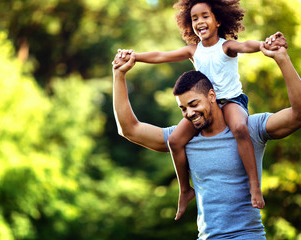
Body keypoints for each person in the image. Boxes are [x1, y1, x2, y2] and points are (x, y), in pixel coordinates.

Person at [112, 33, 301, 239]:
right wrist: (119, 75)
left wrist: (282, 58)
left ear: (212, 96)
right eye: (183, 108)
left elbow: (298, 115)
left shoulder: (249, 128)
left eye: (194, 104)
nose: (189, 113)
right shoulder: (184, 138)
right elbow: (129, 129)